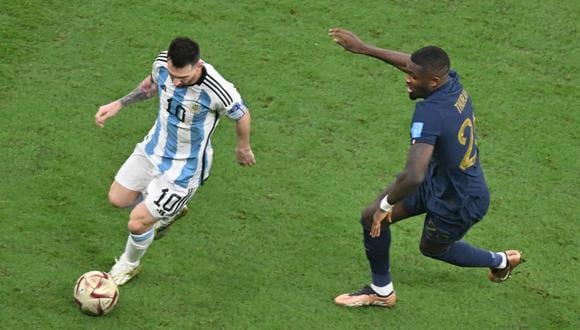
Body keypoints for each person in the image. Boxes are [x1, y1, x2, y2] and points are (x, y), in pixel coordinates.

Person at [328, 28, 523, 308]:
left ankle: (500, 261)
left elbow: (413, 174)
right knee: (370, 217)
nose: (407, 78)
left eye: (413, 77)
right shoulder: (451, 82)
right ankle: (382, 292)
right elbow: (413, 64)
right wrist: (364, 49)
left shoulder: (429, 113)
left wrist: (386, 204)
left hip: (459, 199)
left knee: (430, 247)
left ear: (433, 82)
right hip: (438, 182)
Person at [95, 37, 255, 285]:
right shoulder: (162, 64)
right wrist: (119, 103)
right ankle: (167, 210)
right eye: (173, 74)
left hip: (184, 170)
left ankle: (129, 265)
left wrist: (243, 147)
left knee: (137, 223)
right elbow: (152, 85)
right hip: (152, 149)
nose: (176, 82)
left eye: (183, 78)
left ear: (198, 66)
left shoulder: (218, 89)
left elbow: (242, 115)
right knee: (117, 199)